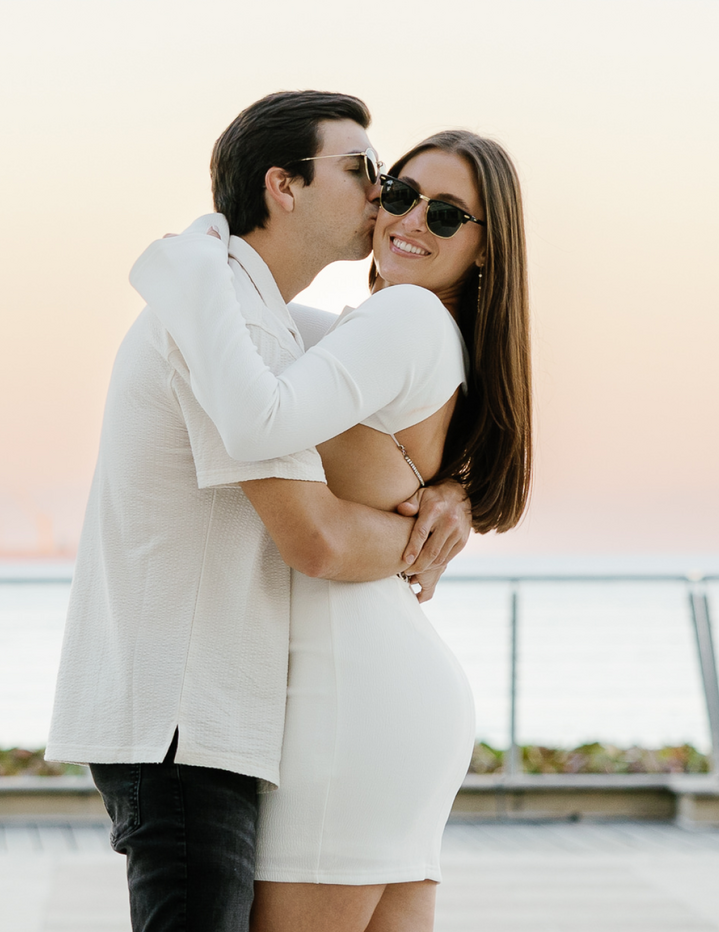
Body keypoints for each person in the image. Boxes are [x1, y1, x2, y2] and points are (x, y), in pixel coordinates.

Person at [45, 91, 473, 932]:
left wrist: (454, 499)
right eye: (364, 173)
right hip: (182, 723)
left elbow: (386, 413)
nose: (383, 198)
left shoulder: (259, 324)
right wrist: (419, 539)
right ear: (284, 186)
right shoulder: (226, 324)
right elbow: (314, 536)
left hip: (203, 721)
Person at [131, 127, 532, 932]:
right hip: (393, 697)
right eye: (399, 193)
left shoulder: (410, 318)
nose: (411, 220)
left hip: (347, 698)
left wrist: (185, 264)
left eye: (448, 215)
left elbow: (259, 411)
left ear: (487, 250)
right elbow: (268, 310)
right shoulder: (378, 328)